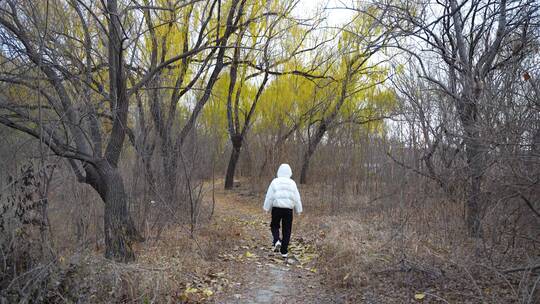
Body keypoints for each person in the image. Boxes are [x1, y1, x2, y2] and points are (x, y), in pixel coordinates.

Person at [263, 163, 302, 258]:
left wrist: (266, 208)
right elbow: (296, 197)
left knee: (274, 225)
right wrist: (299, 210)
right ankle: (284, 251)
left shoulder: (275, 182)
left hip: (277, 208)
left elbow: (269, 196)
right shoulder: (292, 183)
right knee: (287, 230)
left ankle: (276, 240)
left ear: (279, 172)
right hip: (288, 210)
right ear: (290, 172)